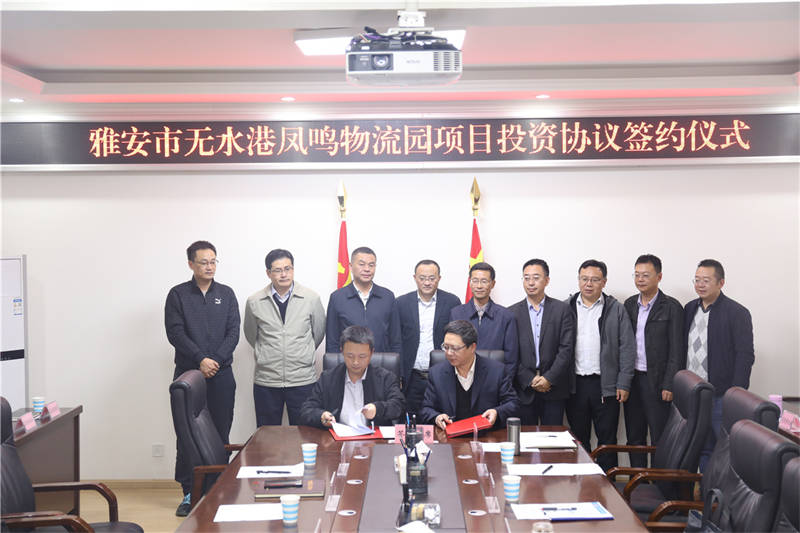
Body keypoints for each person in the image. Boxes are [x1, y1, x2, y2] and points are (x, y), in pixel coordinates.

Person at [164, 240, 239, 517]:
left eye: (213, 261)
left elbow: (234, 331)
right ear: (191, 264)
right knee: (187, 436)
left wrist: (215, 360)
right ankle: (189, 492)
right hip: (189, 376)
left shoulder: (226, 294)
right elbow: (175, 332)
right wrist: (200, 359)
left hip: (222, 374)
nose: (209, 267)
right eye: (204, 262)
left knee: (220, 432)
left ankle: (217, 487)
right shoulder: (178, 295)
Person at [565, 259, 635, 472]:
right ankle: (583, 481)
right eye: (584, 279)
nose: (588, 284)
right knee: (578, 438)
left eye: (594, 280)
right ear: (578, 280)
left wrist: (624, 382)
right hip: (575, 384)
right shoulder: (566, 307)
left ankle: (608, 484)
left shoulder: (616, 309)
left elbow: (627, 347)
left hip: (606, 385)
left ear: (604, 282)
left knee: (607, 439)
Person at [684, 259, 754, 472]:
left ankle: (723, 492)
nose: (700, 285)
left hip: (721, 395)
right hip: (695, 394)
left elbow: (745, 355)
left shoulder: (737, 313)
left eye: (706, 280)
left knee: (724, 448)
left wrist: (736, 393)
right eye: (697, 280)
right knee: (700, 447)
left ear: (721, 282)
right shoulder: (689, 309)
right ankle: (706, 490)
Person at [243, 249, 325, 427]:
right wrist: (266, 353)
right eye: (278, 270)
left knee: (305, 432)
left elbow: (318, 333)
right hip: (267, 379)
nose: (284, 274)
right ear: (268, 273)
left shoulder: (311, 298)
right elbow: (251, 335)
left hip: (302, 379)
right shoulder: (255, 301)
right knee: (267, 435)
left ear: (293, 269)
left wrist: (303, 353)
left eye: (288, 269)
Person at [622, 254, 684, 467]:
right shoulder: (629, 304)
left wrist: (669, 383)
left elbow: (677, 349)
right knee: (634, 435)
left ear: (659, 276)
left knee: (660, 436)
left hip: (657, 381)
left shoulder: (671, 307)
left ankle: (659, 482)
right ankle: (638, 481)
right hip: (633, 379)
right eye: (637, 275)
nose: (640, 279)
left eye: (646, 275)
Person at [419, 320, 518, 430]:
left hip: (486, 436)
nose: (449, 353)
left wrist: (496, 412)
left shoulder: (496, 371)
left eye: (455, 348)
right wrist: (436, 417)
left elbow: (513, 404)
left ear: (472, 347)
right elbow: (426, 409)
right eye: (446, 347)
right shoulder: (436, 373)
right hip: (449, 437)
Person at [509, 259, 575, 425]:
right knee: (524, 438)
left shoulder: (562, 310)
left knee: (553, 438)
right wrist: (529, 379)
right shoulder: (511, 313)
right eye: (526, 278)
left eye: (536, 278)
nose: (531, 283)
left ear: (547, 280)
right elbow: (511, 352)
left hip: (554, 388)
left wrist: (549, 378)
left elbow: (566, 349)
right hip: (524, 389)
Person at [300, 325, 405, 429]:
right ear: (342, 351)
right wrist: (321, 416)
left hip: (374, 438)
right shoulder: (328, 378)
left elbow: (399, 405)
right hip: (337, 437)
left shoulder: (385, 378)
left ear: (371, 353)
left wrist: (377, 409)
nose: (355, 362)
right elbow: (306, 410)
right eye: (350, 356)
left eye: (362, 356)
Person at [394, 259, 461, 414]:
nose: (427, 283)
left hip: (442, 375)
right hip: (411, 376)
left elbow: (457, 338)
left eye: (432, 278)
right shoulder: (401, 303)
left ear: (439, 278)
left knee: (441, 418)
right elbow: (396, 340)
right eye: (422, 278)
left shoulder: (452, 302)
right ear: (415, 278)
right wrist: (399, 374)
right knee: (411, 420)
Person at [449, 262, 518, 379]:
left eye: (484, 281)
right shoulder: (456, 314)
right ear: (470, 283)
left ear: (493, 284)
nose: (479, 286)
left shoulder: (506, 316)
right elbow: (451, 352)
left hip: (495, 381)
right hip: (462, 380)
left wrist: (503, 384)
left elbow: (511, 359)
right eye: (475, 281)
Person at [325, 247, 400, 353]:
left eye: (371, 265)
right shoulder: (337, 298)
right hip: (349, 361)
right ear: (351, 267)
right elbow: (332, 342)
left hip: (381, 360)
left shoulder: (387, 297)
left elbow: (396, 340)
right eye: (361, 264)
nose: (367, 269)